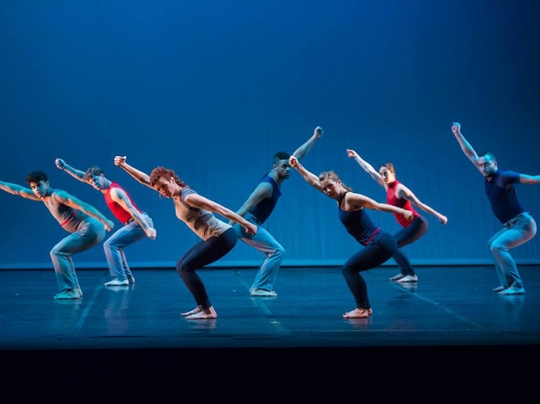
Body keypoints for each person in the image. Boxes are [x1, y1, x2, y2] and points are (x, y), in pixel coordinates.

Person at [114, 156, 258, 319]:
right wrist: (124, 165)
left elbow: (220, 208)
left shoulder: (188, 197)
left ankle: (208, 311)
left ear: (172, 179)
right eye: (159, 189)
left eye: (164, 187)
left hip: (223, 236)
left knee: (186, 267)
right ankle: (202, 306)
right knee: (180, 265)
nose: (163, 191)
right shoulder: (172, 194)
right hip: (214, 237)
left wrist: (247, 224)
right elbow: (144, 179)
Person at [289, 156, 413, 318]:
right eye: (325, 188)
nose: (327, 191)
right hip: (380, 242)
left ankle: (362, 308)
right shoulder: (337, 197)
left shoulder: (350, 198)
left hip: (381, 242)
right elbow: (312, 180)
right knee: (351, 269)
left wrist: (402, 211)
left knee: (349, 269)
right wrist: (298, 166)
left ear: (339, 183)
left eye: (330, 186)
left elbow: (376, 205)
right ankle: (365, 308)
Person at [231, 126, 324, 297]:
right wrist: (224, 228)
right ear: (275, 167)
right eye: (284, 167)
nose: (288, 169)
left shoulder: (276, 174)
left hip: (249, 222)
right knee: (277, 251)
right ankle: (259, 288)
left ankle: (259, 287)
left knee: (273, 251)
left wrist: (314, 138)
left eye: (289, 167)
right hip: (245, 222)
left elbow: (297, 156)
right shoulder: (266, 186)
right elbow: (244, 207)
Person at [451, 122, 539, 295]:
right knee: (492, 244)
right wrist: (457, 134)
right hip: (512, 225)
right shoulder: (486, 175)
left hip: (524, 224)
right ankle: (507, 284)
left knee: (498, 246)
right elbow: (470, 154)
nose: (483, 167)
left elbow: (534, 179)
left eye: (486, 164)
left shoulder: (504, 176)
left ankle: (517, 285)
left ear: (495, 164)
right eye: (481, 165)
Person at [0, 171, 114, 299]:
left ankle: (71, 290)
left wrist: (104, 220)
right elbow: (17, 190)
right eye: (33, 187)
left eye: (39, 185)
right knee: (63, 253)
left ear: (47, 183)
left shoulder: (58, 195)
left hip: (91, 227)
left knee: (57, 252)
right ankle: (74, 289)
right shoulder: (42, 197)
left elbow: (82, 205)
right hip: (90, 230)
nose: (36, 189)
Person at [347, 149, 448, 283]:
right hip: (410, 225)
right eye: (381, 174)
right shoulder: (386, 185)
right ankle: (405, 272)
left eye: (385, 173)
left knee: (392, 244)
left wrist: (439, 215)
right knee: (392, 244)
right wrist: (356, 157)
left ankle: (411, 274)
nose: (383, 176)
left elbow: (419, 204)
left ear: (393, 172)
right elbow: (370, 171)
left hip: (418, 224)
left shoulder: (400, 189)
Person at [55, 158, 157, 286]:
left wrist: (147, 228)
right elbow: (81, 176)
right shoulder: (104, 188)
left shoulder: (114, 191)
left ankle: (121, 278)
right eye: (91, 182)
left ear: (102, 176)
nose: (94, 184)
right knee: (116, 246)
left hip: (139, 222)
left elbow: (132, 210)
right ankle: (128, 278)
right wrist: (65, 166)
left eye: (96, 180)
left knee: (110, 245)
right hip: (135, 223)